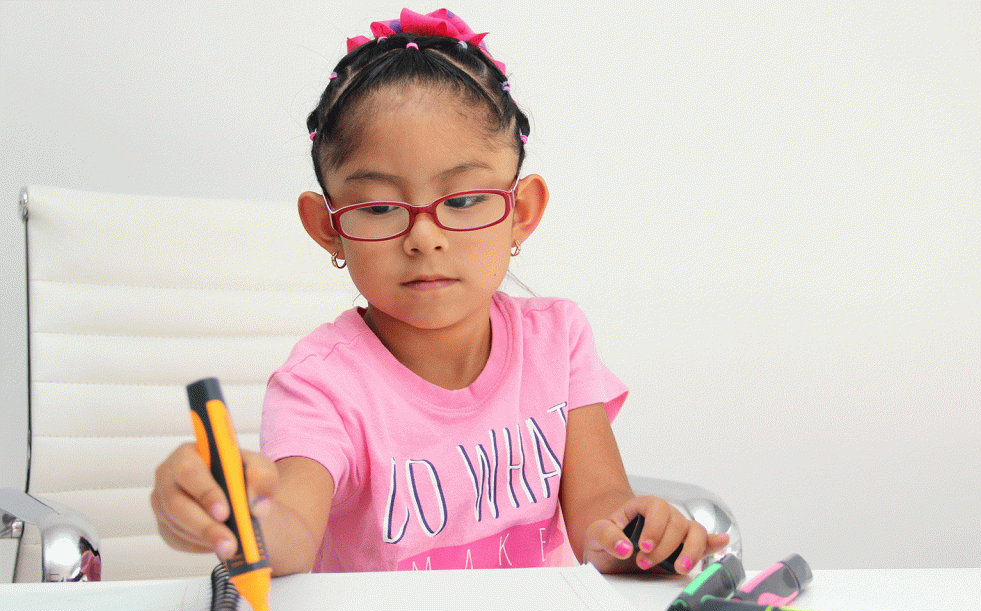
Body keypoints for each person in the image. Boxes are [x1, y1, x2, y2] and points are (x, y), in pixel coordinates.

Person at [152, 8, 729, 576]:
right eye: (379, 207)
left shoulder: (559, 340)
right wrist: (233, 517)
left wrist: (635, 531)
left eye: (463, 200)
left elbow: (599, 511)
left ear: (520, 212)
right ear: (328, 227)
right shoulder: (321, 384)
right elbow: (293, 533)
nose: (424, 237)